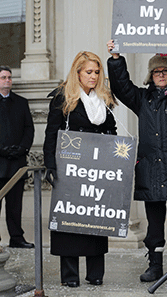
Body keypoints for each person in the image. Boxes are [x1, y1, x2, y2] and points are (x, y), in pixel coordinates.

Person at [107, 26, 167, 283]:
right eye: (156, 71)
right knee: (154, 222)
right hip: (150, 169)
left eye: (165, 71)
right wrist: (117, 59)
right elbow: (121, 87)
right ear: (151, 76)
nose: (161, 75)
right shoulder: (142, 99)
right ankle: (154, 265)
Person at [43, 51, 117, 288]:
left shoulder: (105, 98)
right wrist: (50, 164)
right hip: (70, 167)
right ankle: (70, 275)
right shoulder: (62, 97)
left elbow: (112, 131)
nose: (93, 77)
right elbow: (51, 133)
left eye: (97, 72)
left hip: (97, 169)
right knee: (70, 220)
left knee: (96, 220)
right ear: (77, 73)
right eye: (88, 72)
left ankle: (95, 274)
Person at [0, 65, 34, 248]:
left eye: (9, 77)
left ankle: (16, 238)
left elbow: (29, 129)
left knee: (15, 205)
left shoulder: (21, 102)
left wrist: (21, 148)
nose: (7, 81)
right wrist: (2, 150)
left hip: (17, 164)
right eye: (4, 77)